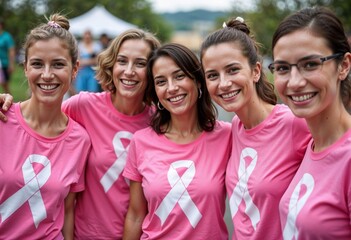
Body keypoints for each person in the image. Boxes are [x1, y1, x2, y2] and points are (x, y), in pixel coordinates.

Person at [0, 28, 160, 239]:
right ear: (111, 64)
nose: (129, 71)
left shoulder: (159, 122)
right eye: (122, 61)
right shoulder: (83, 106)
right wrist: (6, 104)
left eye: (140, 63)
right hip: (86, 234)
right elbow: (45, 122)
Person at [200, 17, 311, 239]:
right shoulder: (236, 127)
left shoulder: (294, 123)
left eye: (232, 70)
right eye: (212, 75)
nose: (223, 83)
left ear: (256, 71)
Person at [122, 43, 232, 239]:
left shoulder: (227, 136)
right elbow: (136, 215)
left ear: (198, 81)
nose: (171, 88)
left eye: (179, 76)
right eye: (161, 81)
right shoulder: (141, 142)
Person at [0, 13, 91, 240]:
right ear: (26, 68)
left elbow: (67, 210)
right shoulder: (2, 118)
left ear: (74, 69)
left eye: (58, 64)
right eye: (38, 64)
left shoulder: (80, 140)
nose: (47, 75)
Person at [270, 6, 351, 239]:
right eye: (283, 68)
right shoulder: (311, 146)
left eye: (311, 64)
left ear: (344, 65)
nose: (294, 82)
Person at [0, 18, 15, 93]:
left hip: (4, 64)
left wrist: (11, 64)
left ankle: (9, 101)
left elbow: (11, 50)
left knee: (4, 84)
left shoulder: (6, 37)